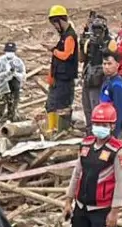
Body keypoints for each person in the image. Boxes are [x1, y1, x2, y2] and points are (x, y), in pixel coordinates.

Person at [46, 5, 79, 133]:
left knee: (62, 105)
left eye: (55, 23)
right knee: (51, 104)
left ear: (60, 20)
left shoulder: (70, 36)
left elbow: (66, 55)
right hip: (58, 76)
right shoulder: (64, 35)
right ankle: (52, 129)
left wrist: (53, 50)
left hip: (65, 78)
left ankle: (61, 130)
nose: (55, 27)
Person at [79, 13, 112, 126]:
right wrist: (82, 44)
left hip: (100, 79)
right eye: (95, 28)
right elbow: (81, 59)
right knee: (87, 107)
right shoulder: (89, 41)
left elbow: (112, 58)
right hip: (88, 77)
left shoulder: (109, 41)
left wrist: (101, 46)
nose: (97, 32)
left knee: (97, 108)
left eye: (99, 29)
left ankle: (98, 130)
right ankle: (90, 132)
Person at [0, 43, 26, 128]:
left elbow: (23, 75)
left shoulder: (18, 62)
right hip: (3, 88)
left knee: (13, 109)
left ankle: (11, 124)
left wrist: (15, 73)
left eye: (11, 51)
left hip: (15, 88)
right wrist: (7, 73)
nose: (10, 53)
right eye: (8, 51)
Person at [99, 52, 122, 137]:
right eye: (104, 64)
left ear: (117, 65)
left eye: (109, 64)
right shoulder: (107, 80)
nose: (106, 67)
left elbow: (121, 110)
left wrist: (115, 129)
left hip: (112, 126)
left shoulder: (117, 85)